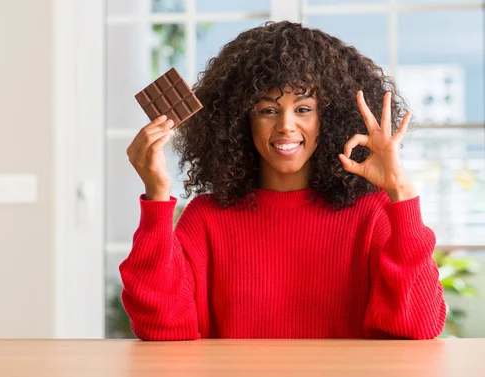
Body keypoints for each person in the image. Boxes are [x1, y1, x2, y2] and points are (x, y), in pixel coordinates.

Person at [120, 20, 446, 340]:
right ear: (241, 121)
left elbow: (417, 326)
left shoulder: (370, 213)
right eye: (268, 111)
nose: (286, 126)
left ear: (327, 119)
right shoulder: (207, 218)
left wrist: (399, 191)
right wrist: (157, 196)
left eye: (303, 109)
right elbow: (160, 326)